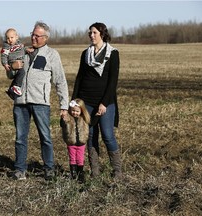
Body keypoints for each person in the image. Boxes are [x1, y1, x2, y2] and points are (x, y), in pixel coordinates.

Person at [9, 21, 69, 181]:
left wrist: (64, 105)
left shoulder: (52, 55)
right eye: (32, 34)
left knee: (45, 137)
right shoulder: (22, 52)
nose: (33, 38)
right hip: (20, 102)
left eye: (37, 35)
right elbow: (11, 75)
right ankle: (19, 170)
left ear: (45, 38)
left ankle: (49, 169)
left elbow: (60, 81)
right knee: (20, 138)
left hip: (41, 103)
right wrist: (12, 67)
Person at [72, 22, 122, 179]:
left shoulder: (113, 54)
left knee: (107, 135)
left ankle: (117, 171)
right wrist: (74, 101)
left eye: (94, 33)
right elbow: (80, 78)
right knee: (91, 136)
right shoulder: (85, 54)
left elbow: (113, 81)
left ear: (102, 34)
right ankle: (95, 172)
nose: (91, 35)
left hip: (105, 103)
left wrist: (104, 103)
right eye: (90, 33)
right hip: (86, 102)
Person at [60, 99, 90, 183]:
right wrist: (63, 118)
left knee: (80, 158)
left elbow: (91, 123)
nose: (75, 113)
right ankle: (73, 173)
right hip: (71, 142)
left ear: (81, 111)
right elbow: (62, 124)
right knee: (72, 158)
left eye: (77, 111)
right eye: (73, 111)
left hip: (81, 143)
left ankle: (80, 173)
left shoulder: (84, 119)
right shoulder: (68, 118)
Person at [0, 28, 25, 99]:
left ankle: (10, 90)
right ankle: (17, 87)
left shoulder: (20, 45)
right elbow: (3, 55)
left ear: (17, 37)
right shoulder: (6, 47)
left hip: (19, 63)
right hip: (12, 65)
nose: (10, 40)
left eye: (12, 37)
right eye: (8, 38)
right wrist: (5, 64)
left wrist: (27, 50)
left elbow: (23, 51)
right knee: (22, 72)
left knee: (18, 77)